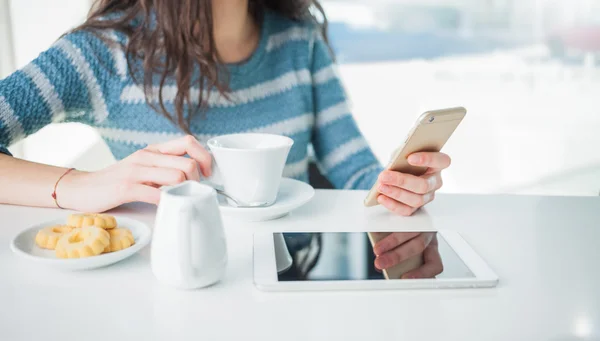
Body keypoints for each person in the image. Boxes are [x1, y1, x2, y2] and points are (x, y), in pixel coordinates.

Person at [0, 0, 451, 272]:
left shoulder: (298, 38)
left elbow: (354, 170)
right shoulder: (104, 53)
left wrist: (399, 188)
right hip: (171, 292)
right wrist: (80, 185)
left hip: (288, 280)